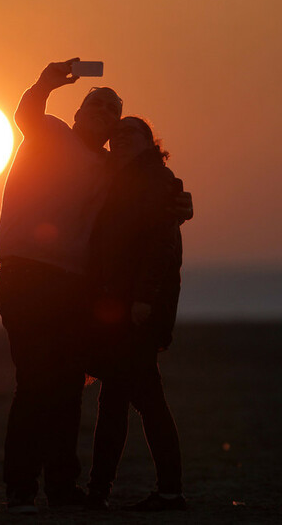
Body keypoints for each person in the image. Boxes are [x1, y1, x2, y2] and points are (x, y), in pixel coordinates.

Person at [0, 58, 123, 514]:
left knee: (67, 387)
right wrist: (47, 81)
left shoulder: (109, 169)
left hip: (72, 286)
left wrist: (176, 201)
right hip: (25, 275)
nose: (102, 110)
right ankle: (21, 486)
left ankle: (62, 487)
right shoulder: (50, 133)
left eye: (112, 108)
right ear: (78, 112)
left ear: (114, 126)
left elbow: (144, 196)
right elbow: (26, 113)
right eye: (95, 102)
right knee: (34, 383)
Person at [84, 117, 188, 511]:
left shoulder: (154, 179)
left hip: (139, 310)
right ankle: (102, 491)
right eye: (118, 133)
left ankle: (164, 492)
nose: (123, 136)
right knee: (119, 398)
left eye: (134, 131)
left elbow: (161, 246)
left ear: (150, 142)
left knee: (143, 399)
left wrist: (143, 300)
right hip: (121, 309)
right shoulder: (123, 180)